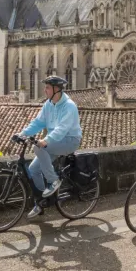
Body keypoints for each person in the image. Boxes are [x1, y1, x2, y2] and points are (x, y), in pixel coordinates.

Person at [18, 75, 82, 219]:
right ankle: (41, 202)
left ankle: (54, 180)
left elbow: (62, 128)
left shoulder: (69, 106)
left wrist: (46, 140)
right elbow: (38, 122)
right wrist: (22, 133)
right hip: (55, 142)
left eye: (47, 87)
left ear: (56, 89)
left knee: (38, 148)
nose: (44, 90)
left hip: (70, 140)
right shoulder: (48, 104)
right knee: (33, 169)